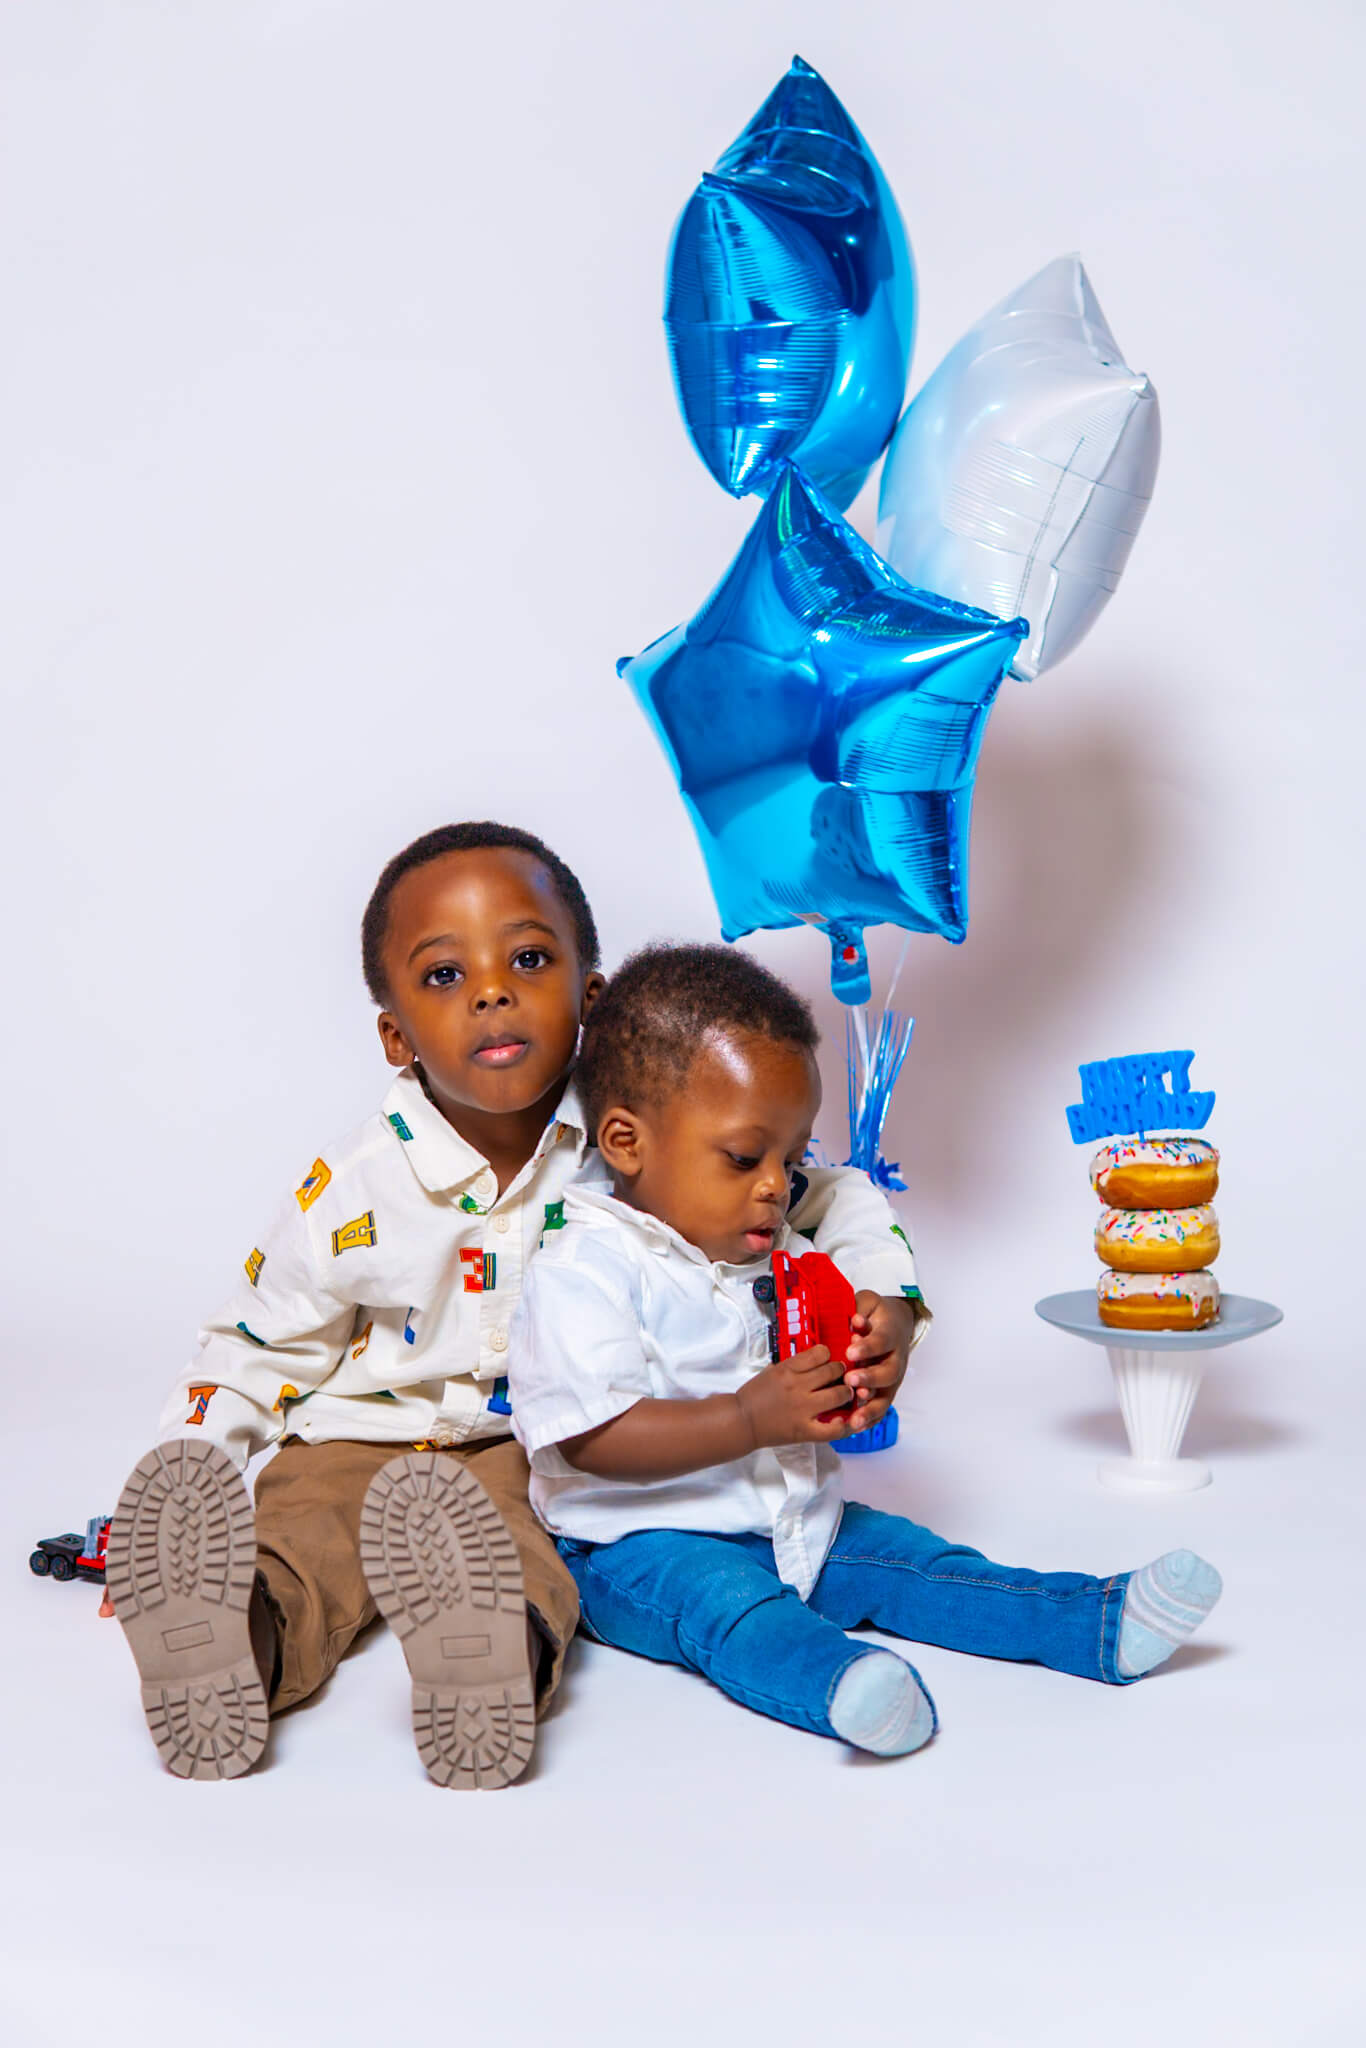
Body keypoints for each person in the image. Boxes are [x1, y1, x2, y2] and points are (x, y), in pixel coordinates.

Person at [507, 944, 1223, 1757]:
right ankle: (841, 1683)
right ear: (626, 1141)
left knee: (918, 1563)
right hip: (637, 1545)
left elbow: (850, 1232)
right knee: (733, 1609)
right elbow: (589, 1438)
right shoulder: (584, 1267)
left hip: (794, 1523)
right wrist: (748, 1419)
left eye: (791, 1158)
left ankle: (1093, 1622)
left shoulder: (771, 1239)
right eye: (744, 1157)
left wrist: (875, 1342)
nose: (775, 1185)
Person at [104, 820, 607, 1788]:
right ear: (396, 1036)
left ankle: (480, 1663)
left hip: (522, 1446)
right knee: (297, 1544)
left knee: (522, 1554)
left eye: (528, 958)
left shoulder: (634, 1143)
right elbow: (257, 1341)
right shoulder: (354, 1183)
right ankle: (228, 1639)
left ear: (592, 995)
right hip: (351, 1436)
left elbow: (786, 1190)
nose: (492, 990)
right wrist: (191, 1463)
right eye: (445, 975)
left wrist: (881, 1293)